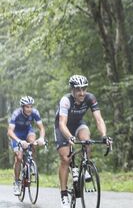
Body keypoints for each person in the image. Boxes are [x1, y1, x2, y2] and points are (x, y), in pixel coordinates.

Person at [54, 75, 112, 208]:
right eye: (78, 89)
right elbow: (62, 123)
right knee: (65, 159)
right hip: (62, 127)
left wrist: (104, 135)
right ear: (72, 90)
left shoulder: (90, 98)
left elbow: (98, 119)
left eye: (84, 89)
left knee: (87, 141)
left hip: (79, 123)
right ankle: (63, 194)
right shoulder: (66, 100)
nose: (81, 92)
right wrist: (69, 137)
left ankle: (85, 167)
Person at [7, 96, 46, 196]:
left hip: (28, 131)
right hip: (17, 135)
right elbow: (10, 131)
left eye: (31, 106)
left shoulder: (35, 113)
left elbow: (41, 128)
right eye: (27, 107)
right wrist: (19, 141)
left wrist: (41, 138)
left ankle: (31, 163)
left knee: (33, 142)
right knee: (19, 158)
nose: (29, 109)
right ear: (22, 107)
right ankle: (16, 181)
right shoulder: (16, 114)